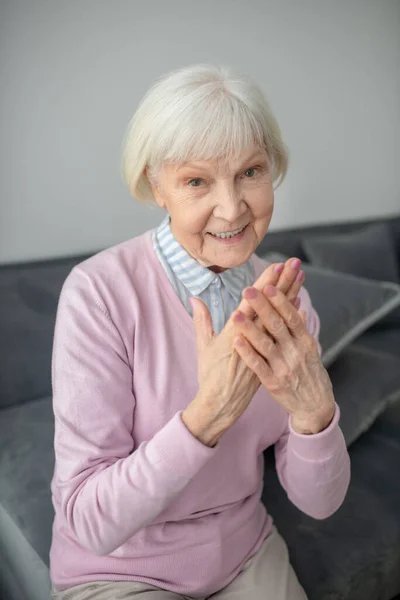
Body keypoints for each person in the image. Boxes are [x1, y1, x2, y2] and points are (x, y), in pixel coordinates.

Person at [49, 64, 350, 600]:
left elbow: (321, 503)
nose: (233, 208)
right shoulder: (98, 294)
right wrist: (207, 415)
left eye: (251, 173)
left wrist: (314, 414)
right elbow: (90, 522)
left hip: (244, 554)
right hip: (122, 570)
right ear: (155, 186)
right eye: (196, 181)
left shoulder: (286, 299)